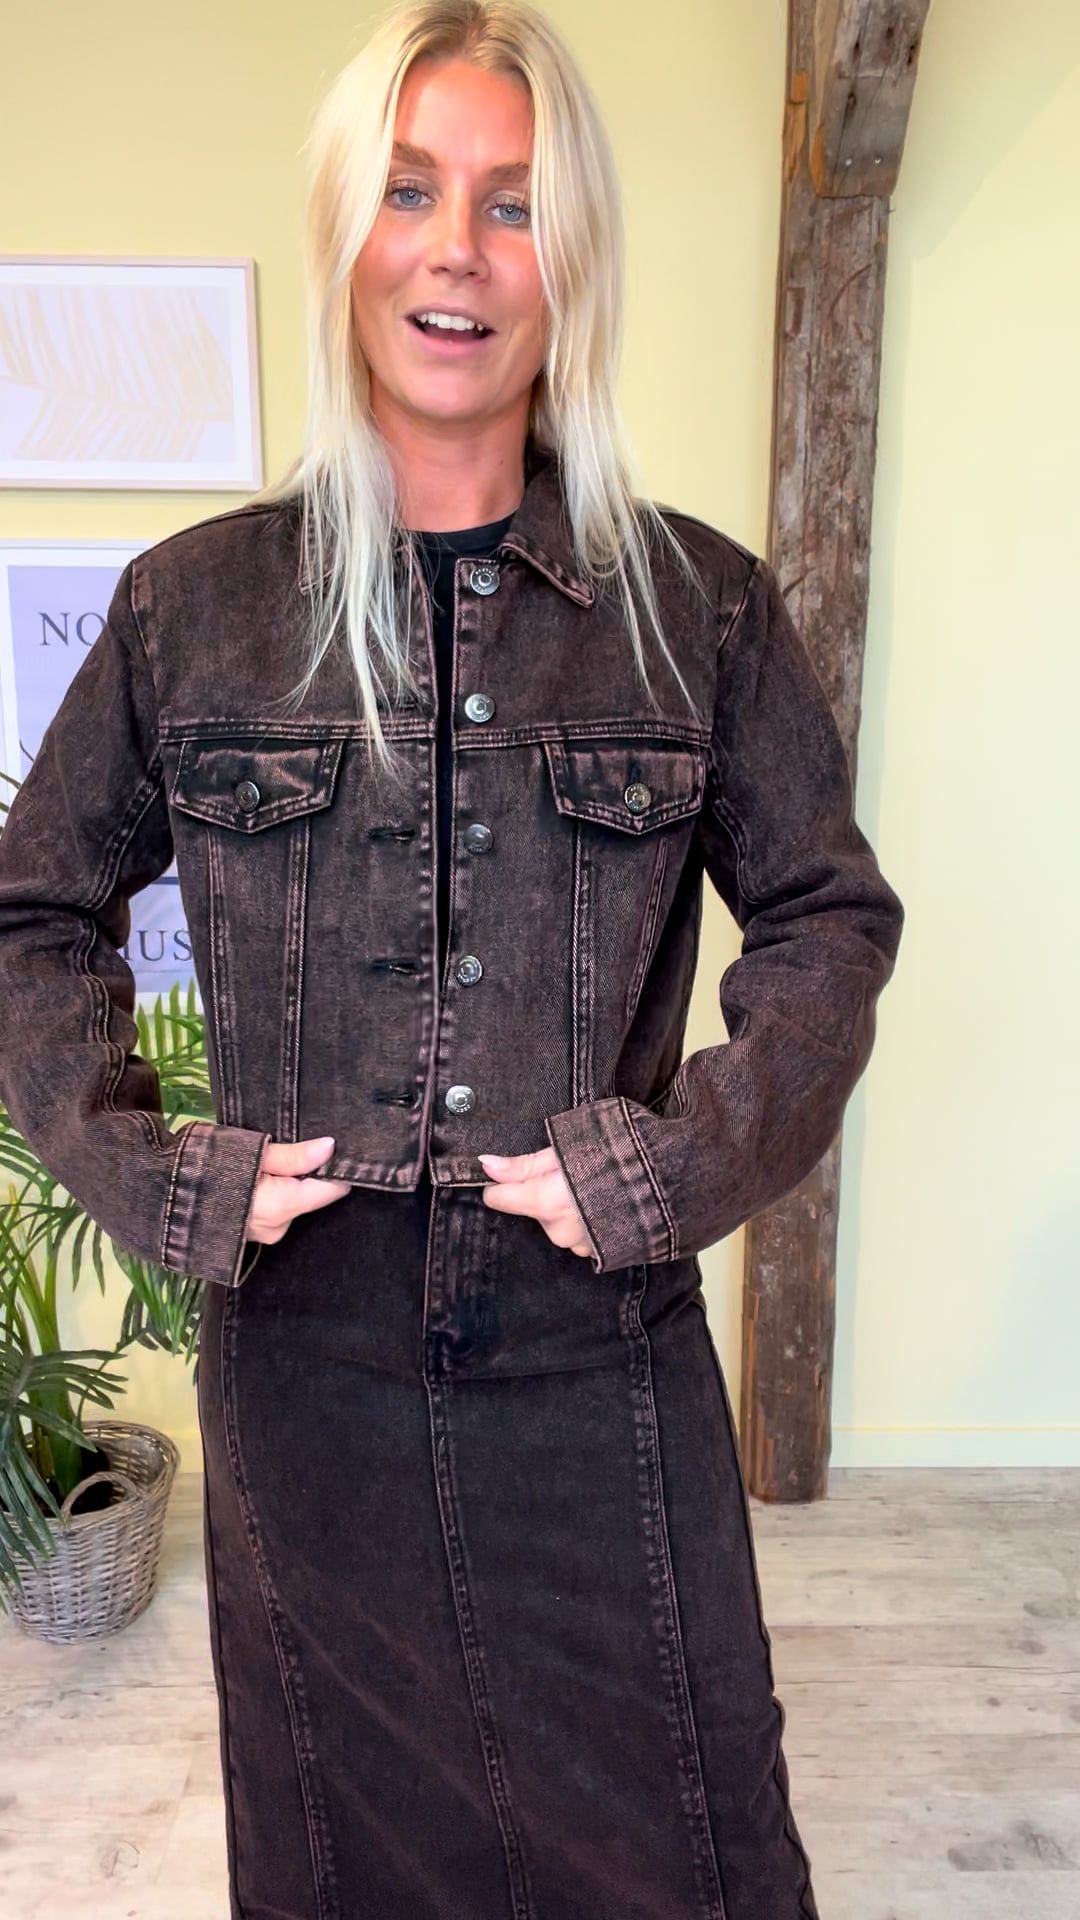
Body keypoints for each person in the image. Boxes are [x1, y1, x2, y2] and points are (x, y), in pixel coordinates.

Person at [0, 3, 904, 1916]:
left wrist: (672, 1166)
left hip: (596, 1341)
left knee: (695, 1844)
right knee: (348, 1863)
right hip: (303, 1357)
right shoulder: (191, 612)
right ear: (348, 234)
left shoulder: (696, 609)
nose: (460, 250)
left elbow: (829, 919)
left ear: (570, 259)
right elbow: (30, 916)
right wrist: (162, 1179)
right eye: (411, 192)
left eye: (513, 202)